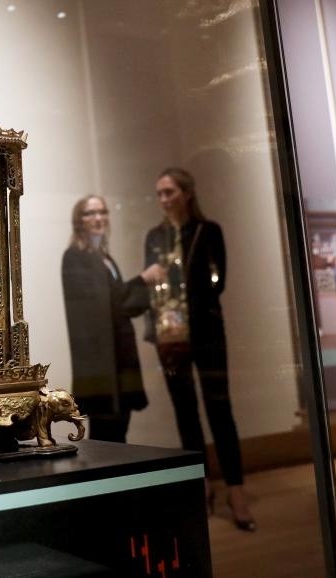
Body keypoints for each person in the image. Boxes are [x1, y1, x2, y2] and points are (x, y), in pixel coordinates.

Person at [144, 167, 257, 531]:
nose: (164, 199)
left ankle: (236, 491)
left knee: (220, 410)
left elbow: (217, 281)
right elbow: (151, 289)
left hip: (207, 331)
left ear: (187, 193)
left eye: (170, 192)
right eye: (160, 193)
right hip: (171, 336)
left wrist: (183, 291)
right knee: (185, 413)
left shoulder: (209, 231)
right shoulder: (154, 237)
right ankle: (202, 485)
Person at [62, 195, 165, 443]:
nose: (98, 218)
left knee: (120, 428)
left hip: (119, 355)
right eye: (90, 213)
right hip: (100, 361)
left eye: (102, 212)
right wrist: (143, 279)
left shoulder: (103, 257)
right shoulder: (76, 257)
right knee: (107, 433)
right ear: (79, 220)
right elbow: (105, 304)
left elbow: (119, 303)